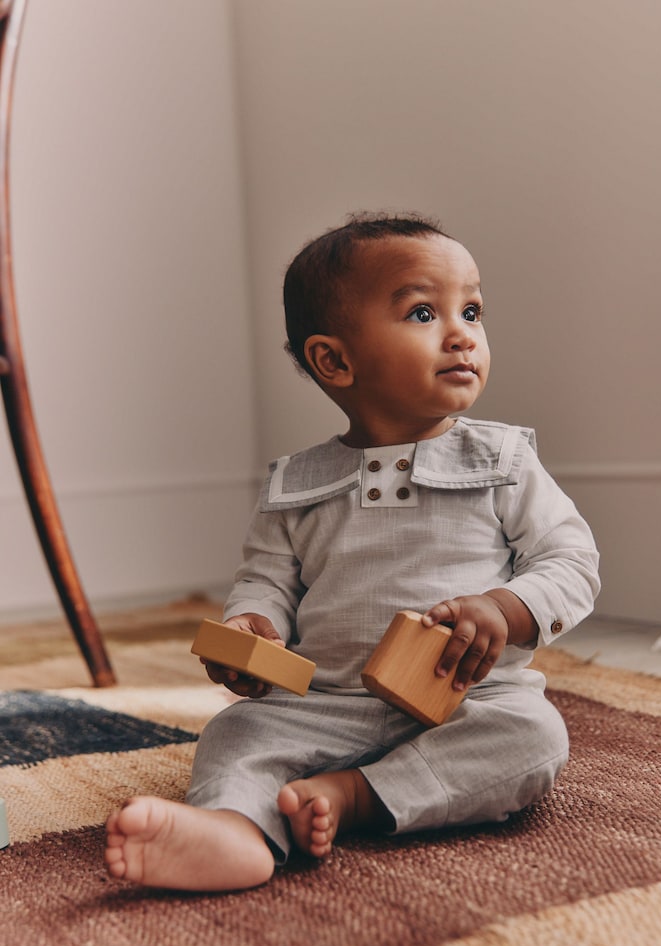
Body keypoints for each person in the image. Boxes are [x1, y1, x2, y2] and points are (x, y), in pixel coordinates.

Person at [105, 212, 600, 891]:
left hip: (468, 699)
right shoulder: (297, 484)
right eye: (423, 313)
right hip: (324, 704)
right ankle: (235, 831)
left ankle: (353, 796)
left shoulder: (502, 460)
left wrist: (504, 608)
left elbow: (571, 561)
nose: (463, 334)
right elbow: (267, 580)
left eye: (472, 311)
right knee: (237, 733)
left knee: (533, 737)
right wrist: (253, 627)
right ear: (335, 361)